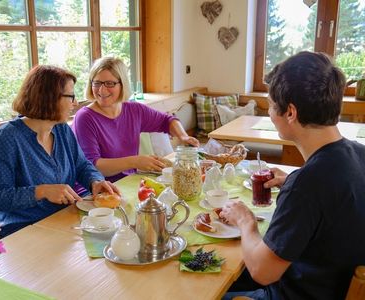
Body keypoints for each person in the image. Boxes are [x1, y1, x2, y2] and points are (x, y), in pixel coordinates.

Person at [220, 51, 365, 299]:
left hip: (298, 293)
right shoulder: (358, 155)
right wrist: (292, 181)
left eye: (272, 106)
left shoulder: (307, 186)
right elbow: (335, 195)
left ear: (291, 113)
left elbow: (261, 272)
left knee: (206, 288)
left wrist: (245, 220)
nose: (270, 114)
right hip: (332, 285)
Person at [0, 65, 120, 239]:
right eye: (71, 96)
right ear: (49, 98)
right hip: (22, 231)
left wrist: (95, 181)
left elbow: (81, 165)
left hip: (62, 221)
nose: (75, 103)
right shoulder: (6, 138)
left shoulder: (62, 129)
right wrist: (41, 191)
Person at [72, 57, 199, 184]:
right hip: (99, 189)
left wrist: (183, 137)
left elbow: (167, 121)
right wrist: (135, 161)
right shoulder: (85, 118)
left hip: (129, 182)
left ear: (123, 85)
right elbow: (93, 166)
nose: (102, 90)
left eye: (109, 83)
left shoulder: (134, 110)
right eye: (97, 83)